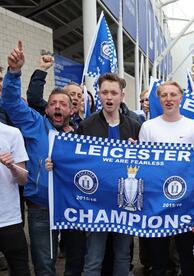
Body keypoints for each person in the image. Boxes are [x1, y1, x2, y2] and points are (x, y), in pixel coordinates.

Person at [1, 41, 75, 275]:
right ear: (46, 109)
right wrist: (14, 72)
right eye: (53, 103)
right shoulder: (34, 124)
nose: (57, 107)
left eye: (63, 104)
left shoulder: (81, 137)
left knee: (75, 263)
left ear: (71, 111)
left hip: (73, 208)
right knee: (44, 265)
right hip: (40, 208)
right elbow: (11, 102)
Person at [139, 81, 194, 276]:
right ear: (159, 99)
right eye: (164, 95)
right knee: (158, 258)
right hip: (157, 202)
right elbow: (143, 164)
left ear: (181, 98)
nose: (169, 99)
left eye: (173, 95)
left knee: (186, 257)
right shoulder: (148, 127)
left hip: (185, 202)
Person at [75, 72, 141, 276]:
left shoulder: (135, 126)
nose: (109, 97)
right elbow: (76, 162)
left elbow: (146, 167)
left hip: (125, 203)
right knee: (94, 258)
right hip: (97, 203)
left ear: (122, 96)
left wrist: (138, 153)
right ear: (99, 95)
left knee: (123, 256)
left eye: (114, 92)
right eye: (105, 92)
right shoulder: (86, 126)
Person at [0, 122, 30, 276]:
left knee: (20, 270)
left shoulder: (12, 133)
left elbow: (23, 179)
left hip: (8, 218)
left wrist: (12, 166)